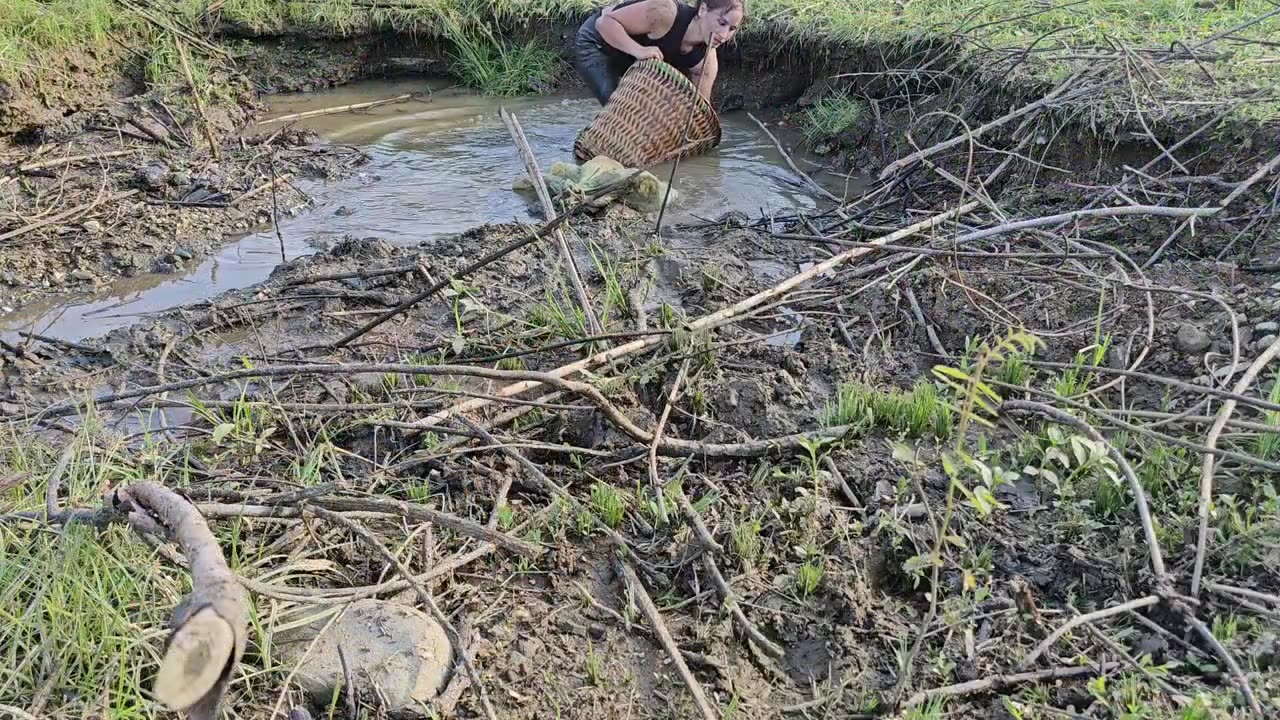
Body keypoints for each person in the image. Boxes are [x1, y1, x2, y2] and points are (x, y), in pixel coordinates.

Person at [573, 0, 745, 106]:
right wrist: (639, 50)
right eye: (721, 23)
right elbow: (604, 23)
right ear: (702, 10)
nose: (724, 36)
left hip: (633, 63)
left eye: (732, 29)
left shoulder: (706, 64)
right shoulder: (665, 11)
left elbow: (698, 110)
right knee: (618, 105)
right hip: (598, 44)